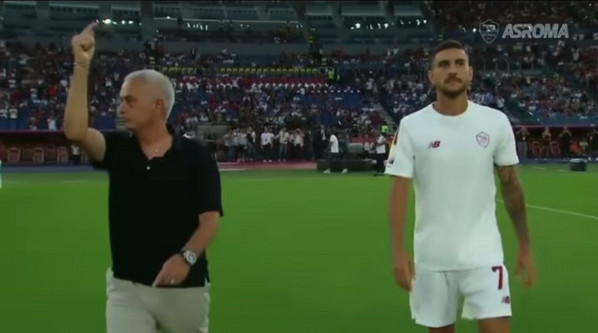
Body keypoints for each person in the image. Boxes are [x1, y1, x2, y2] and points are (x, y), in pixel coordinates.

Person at [64, 22, 224, 333]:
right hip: (127, 287)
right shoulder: (118, 149)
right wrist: (82, 63)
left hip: (184, 289)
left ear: (158, 106)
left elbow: (210, 219)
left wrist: (186, 258)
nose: (121, 107)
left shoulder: (195, 155)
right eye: (122, 99)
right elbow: (75, 131)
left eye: (129, 100)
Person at [385, 40, 536, 333]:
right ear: (431, 76)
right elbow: (399, 190)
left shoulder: (495, 122)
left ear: (470, 73)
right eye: (443, 65)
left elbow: (511, 185)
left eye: (459, 64)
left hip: (485, 255)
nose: (452, 70)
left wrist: (525, 245)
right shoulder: (411, 126)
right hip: (432, 258)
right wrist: (397, 250)